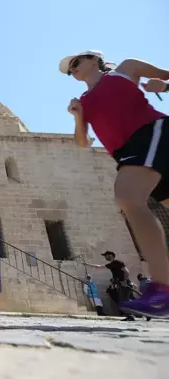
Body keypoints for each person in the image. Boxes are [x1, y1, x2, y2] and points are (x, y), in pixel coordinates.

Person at [60, 50, 169, 318]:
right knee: (132, 200)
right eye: (69, 70)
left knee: (128, 198)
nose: (72, 69)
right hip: (128, 153)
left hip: (149, 133)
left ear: (93, 58)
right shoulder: (84, 101)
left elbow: (166, 77)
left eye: (75, 62)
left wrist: (164, 86)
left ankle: (162, 289)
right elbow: (83, 143)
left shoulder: (125, 70)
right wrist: (77, 116)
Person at [84, 251, 134, 320]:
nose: (105, 257)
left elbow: (126, 271)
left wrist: (125, 281)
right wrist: (87, 264)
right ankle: (129, 315)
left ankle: (136, 313)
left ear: (111, 255)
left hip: (124, 283)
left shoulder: (117, 262)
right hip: (121, 284)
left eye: (106, 255)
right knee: (123, 300)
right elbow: (99, 267)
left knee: (125, 300)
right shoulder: (112, 264)